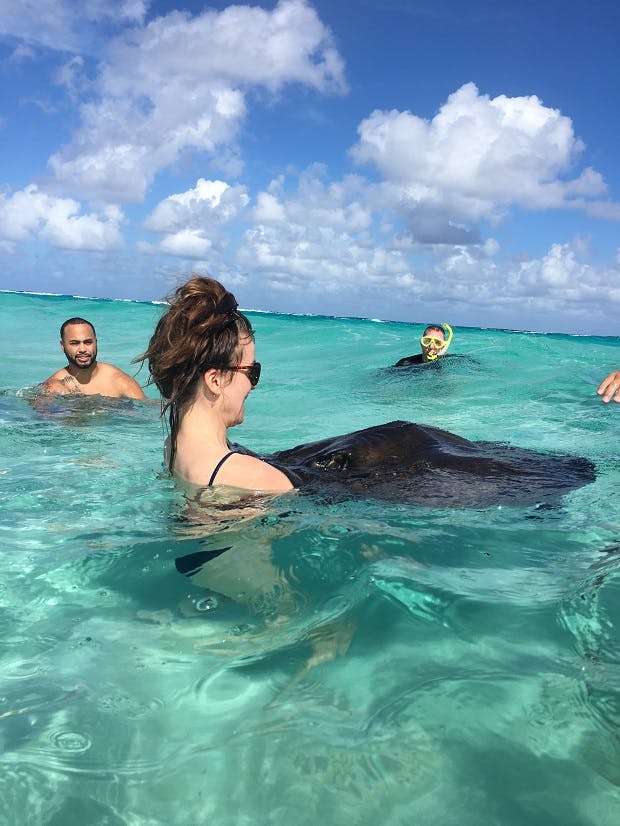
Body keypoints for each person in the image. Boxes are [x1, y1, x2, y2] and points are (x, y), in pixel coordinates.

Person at [139, 276, 293, 493]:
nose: (253, 385)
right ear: (215, 380)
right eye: (252, 372)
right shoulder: (261, 481)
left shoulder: (172, 446)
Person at [40, 317, 146, 399]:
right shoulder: (55, 386)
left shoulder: (119, 380)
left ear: (96, 342)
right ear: (63, 346)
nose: (82, 349)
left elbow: (148, 416)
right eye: (74, 343)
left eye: (88, 342)